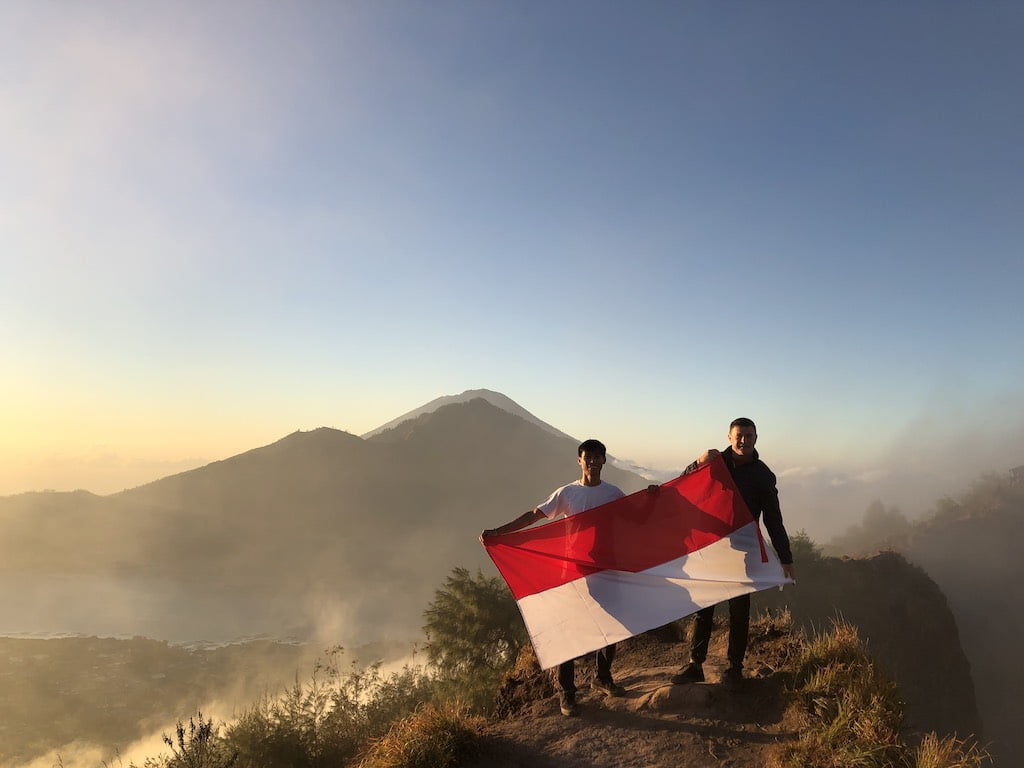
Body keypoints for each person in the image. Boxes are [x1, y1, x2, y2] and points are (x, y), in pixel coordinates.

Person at [481, 438, 626, 717]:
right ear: (579, 461)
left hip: (606, 570)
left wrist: (656, 494)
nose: (593, 462)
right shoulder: (567, 493)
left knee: (611, 627)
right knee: (568, 633)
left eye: (598, 457)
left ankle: (602, 677)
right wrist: (501, 532)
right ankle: (567, 693)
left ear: (604, 461)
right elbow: (536, 515)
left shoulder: (614, 494)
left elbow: (638, 515)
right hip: (572, 572)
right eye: (588, 457)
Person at [670, 417, 796, 691]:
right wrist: (698, 462)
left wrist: (785, 557)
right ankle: (695, 664)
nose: (743, 440)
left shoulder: (763, 475)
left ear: (755, 438)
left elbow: (773, 519)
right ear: (729, 437)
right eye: (739, 435)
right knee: (704, 608)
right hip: (712, 548)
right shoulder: (714, 465)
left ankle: (734, 668)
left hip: (743, 552)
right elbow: (683, 484)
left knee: (740, 611)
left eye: (748, 436)